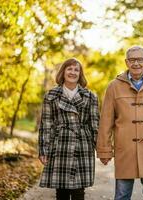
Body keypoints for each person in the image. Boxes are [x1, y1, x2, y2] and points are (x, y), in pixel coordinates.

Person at [96, 46, 143, 200]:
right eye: (132, 60)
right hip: (125, 149)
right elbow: (106, 122)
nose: (136, 63)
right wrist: (104, 150)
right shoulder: (114, 86)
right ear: (126, 62)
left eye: (140, 59)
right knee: (122, 195)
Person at [38, 58, 99, 200]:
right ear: (63, 72)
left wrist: (102, 150)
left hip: (82, 144)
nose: (73, 72)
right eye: (69, 69)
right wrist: (43, 150)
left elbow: (95, 124)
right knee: (62, 191)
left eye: (76, 69)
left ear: (80, 74)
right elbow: (46, 124)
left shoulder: (90, 96)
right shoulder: (51, 95)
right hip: (59, 145)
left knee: (79, 191)